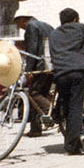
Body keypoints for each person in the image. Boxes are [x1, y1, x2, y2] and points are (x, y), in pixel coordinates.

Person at [49, 8, 84, 155]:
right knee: (75, 107)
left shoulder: (53, 33)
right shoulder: (79, 28)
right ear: (75, 19)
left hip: (60, 73)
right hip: (76, 71)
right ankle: (71, 145)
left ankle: (72, 135)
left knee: (66, 106)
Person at [13, 9, 54, 137]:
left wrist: (29, 70)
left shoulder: (31, 26)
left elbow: (32, 49)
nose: (16, 25)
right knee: (40, 94)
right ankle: (35, 128)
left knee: (34, 94)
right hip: (50, 64)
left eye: (16, 22)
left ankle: (53, 111)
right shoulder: (47, 25)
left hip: (40, 66)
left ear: (22, 19)